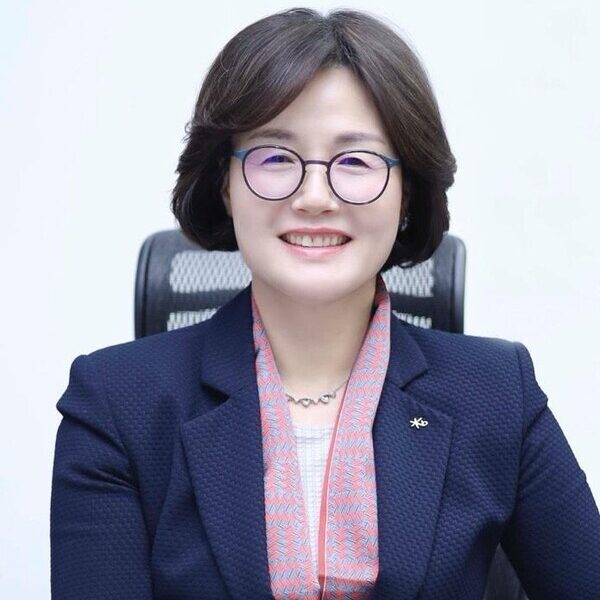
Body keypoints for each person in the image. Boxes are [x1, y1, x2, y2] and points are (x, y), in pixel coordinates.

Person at [50, 7, 600, 600]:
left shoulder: (497, 394)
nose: (314, 197)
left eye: (356, 161)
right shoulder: (114, 405)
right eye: (275, 157)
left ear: (406, 193)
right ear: (225, 185)